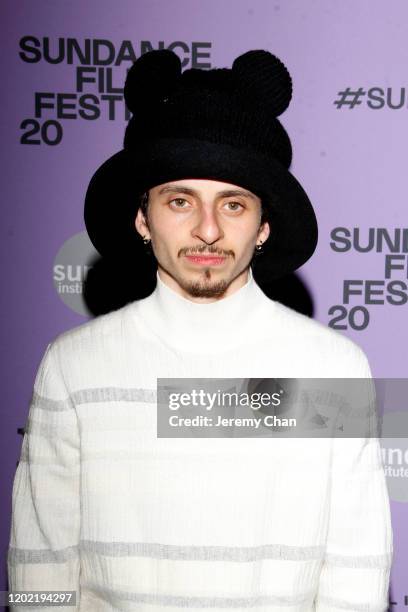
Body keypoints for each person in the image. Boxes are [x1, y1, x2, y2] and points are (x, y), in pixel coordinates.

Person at [8, 49, 393, 611]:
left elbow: (355, 574)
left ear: (264, 226)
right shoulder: (75, 365)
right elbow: (41, 570)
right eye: (180, 200)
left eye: (233, 204)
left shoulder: (331, 367)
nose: (208, 230)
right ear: (143, 218)